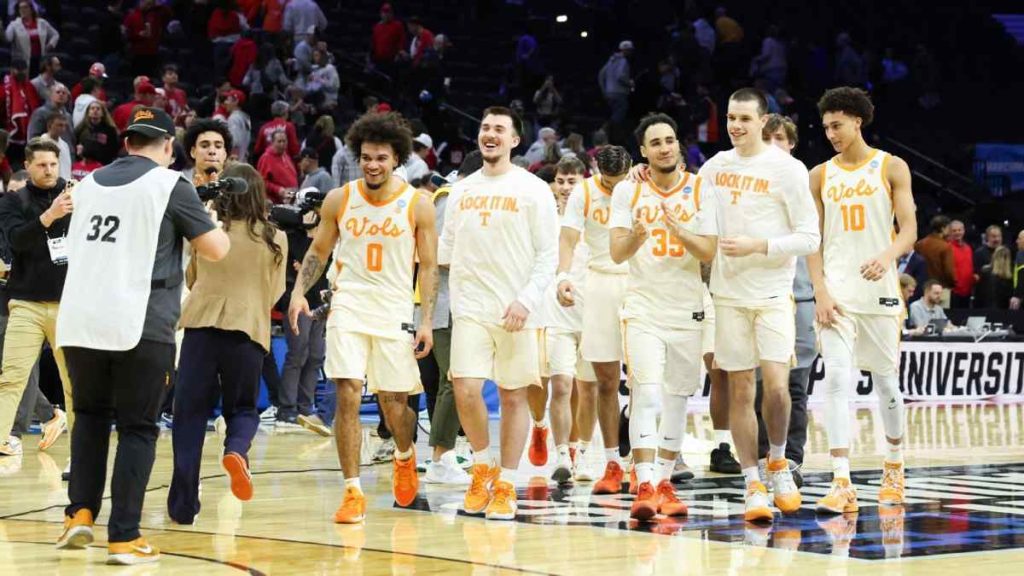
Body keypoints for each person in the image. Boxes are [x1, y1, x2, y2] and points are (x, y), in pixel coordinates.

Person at [54, 107, 230, 564]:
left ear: (127, 142)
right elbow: (214, 251)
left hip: (78, 320)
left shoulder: (86, 184)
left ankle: (79, 514)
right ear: (169, 148)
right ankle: (124, 536)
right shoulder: (170, 184)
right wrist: (213, 222)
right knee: (137, 427)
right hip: (140, 322)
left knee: (89, 418)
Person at [288, 111, 438, 523]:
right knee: (348, 393)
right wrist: (299, 292)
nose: (373, 165)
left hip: (393, 308)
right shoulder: (340, 198)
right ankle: (352, 491)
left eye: (381, 158)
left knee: (395, 406)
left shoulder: (418, 204)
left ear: (397, 160)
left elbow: (427, 266)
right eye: (367, 157)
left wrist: (425, 320)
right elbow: (318, 251)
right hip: (349, 303)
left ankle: (404, 455)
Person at [696, 88, 819, 523]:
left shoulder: (788, 169)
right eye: (731, 117)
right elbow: (696, 220)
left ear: (763, 122)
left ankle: (779, 461)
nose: (735, 125)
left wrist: (759, 245)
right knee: (741, 389)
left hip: (772, 294)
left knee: (778, 387)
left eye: (744, 118)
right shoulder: (714, 168)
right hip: (728, 296)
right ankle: (752, 483)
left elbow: (810, 238)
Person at [438, 106, 558, 521]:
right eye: (485, 127)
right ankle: (483, 466)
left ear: (514, 140)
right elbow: (445, 252)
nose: (490, 134)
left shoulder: (533, 189)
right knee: (466, 388)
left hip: (518, 309)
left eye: (499, 129)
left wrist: (526, 299)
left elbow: (548, 253)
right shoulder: (461, 190)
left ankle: (506, 481)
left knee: (512, 395)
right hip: (470, 307)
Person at [807, 87, 917, 515]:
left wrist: (887, 255)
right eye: (826, 127)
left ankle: (894, 466)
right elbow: (812, 239)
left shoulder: (891, 166)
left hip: (881, 292)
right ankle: (841, 481)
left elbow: (908, 228)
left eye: (837, 125)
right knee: (835, 379)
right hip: (836, 293)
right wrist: (819, 289)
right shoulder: (819, 175)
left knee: (887, 382)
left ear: (858, 120)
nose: (831, 134)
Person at [608, 113, 715, 520]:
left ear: (678, 145)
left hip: (687, 308)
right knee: (647, 394)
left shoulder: (701, 189)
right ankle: (645, 482)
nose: (665, 147)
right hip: (643, 308)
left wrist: (679, 230)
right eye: (656, 143)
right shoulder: (628, 193)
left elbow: (709, 252)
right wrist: (637, 235)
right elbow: (617, 252)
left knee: (675, 399)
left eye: (670, 140)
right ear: (644, 151)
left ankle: (666, 482)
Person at [168, 162, 286, 525]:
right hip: (247, 330)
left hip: (200, 328)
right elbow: (276, 292)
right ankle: (235, 450)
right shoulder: (275, 237)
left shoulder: (205, 229)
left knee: (188, 416)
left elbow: (191, 277)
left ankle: (183, 505)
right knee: (243, 410)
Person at [555, 145, 631, 489]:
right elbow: (567, 239)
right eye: (609, 183)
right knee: (595, 381)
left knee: (647, 378)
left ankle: (651, 456)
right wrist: (562, 276)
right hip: (596, 284)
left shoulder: (641, 185)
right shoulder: (583, 193)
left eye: (620, 182)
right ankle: (592, 454)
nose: (615, 189)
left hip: (638, 283)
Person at [0, 138, 74, 458]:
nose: (48, 170)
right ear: (27, 166)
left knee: (73, 384)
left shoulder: (76, 196)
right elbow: (16, 242)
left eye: (53, 165)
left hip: (68, 304)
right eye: (41, 165)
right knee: (12, 377)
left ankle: (81, 455)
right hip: (26, 303)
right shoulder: (14, 201)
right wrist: (49, 217)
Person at [752, 113, 815, 484]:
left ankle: (791, 458)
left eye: (780, 138)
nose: (774, 144)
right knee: (762, 384)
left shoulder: (809, 185)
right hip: (762, 296)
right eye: (767, 138)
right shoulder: (749, 185)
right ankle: (763, 455)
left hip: (803, 296)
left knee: (796, 384)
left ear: (791, 143)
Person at [526, 156, 594, 485]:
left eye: (573, 181)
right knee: (558, 384)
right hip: (551, 313)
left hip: (592, 312)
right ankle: (559, 451)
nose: (566, 188)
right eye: (562, 181)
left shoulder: (598, 214)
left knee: (585, 389)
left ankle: (581, 453)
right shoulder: (543, 216)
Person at [423, 151, 483, 485]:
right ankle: (440, 458)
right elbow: (436, 255)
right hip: (441, 304)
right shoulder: (450, 198)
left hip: (458, 303)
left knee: (454, 379)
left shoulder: (456, 196)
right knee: (453, 379)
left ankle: (446, 453)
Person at [5, 1, 59, 76]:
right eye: (20, 8)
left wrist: (50, 45)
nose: (23, 10)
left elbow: (55, 34)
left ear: (31, 9)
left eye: (25, 7)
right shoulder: (14, 25)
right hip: (22, 63)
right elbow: (8, 38)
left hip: (39, 60)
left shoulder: (42, 23)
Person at [914, 215, 955, 289]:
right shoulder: (945, 246)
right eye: (948, 228)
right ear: (943, 228)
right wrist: (952, 284)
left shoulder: (919, 244)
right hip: (940, 287)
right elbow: (948, 271)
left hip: (922, 286)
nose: (949, 230)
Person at [257, 130, 298, 204]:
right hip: (275, 202)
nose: (282, 144)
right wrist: (278, 190)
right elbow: (261, 181)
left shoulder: (286, 156)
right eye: (279, 141)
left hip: (290, 198)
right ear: (272, 142)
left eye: (284, 141)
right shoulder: (266, 158)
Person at [74, 100, 119, 167]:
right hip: (84, 165)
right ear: (88, 112)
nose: (95, 111)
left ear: (103, 113)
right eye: (92, 108)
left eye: (98, 109)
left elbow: (114, 150)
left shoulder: (110, 130)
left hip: (103, 165)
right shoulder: (81, 128)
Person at [598, 41, 633, 125]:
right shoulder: (623, 61)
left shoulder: (611, 61)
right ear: (626, 50)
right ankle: (608, 130)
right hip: (619, 93)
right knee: (619, 115)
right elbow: (620, 76)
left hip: (609, 93)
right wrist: (630, 83)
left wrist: (604, 91)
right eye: (630, 50)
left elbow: (601, 75)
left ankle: (608, 132)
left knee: (614, 113)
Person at [946, 220, 975, 308]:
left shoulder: (968, 248)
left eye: (959, 230)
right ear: (950, 232)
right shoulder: (947, 248)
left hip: (967, 291)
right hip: (953, 292)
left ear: (964, 231)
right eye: (954, 231)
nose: (957, 232)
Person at [40, 112, 70, 180]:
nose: (63, 128)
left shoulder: (65, 145)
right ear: (49, 125)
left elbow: (67, 168)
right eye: (59, 125)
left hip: (66, 185)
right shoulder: (42, 143)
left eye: (64, 126)